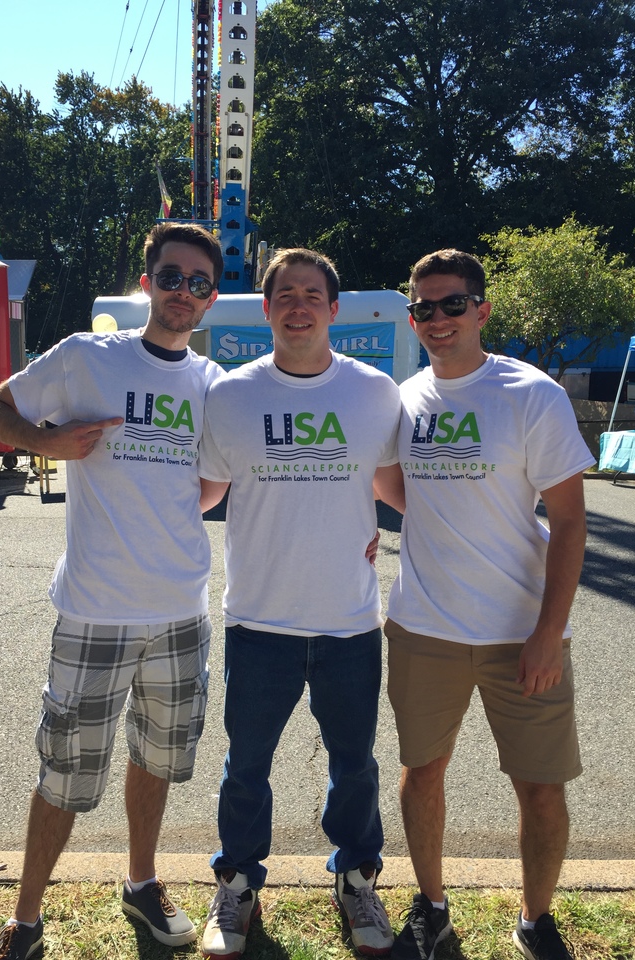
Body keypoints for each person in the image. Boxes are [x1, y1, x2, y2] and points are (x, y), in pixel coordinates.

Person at [0, 222, 224, 960]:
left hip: (182, 612)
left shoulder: (210, 384)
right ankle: (25, 918)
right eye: (173, 277)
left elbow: (216, 485)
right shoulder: (88, 357)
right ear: (147, 282)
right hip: (94, 612)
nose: (185, 292)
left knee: (156, 760)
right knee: (65, 774)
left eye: (200, 283)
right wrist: (47, 443)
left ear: (211, 298)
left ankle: (141, 884)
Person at [382, 250, 594, 960]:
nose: (436, 320)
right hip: (424, 629)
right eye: (423, 309)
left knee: (541, 790)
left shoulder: (529, 394)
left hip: (520, 633)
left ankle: (536, 919)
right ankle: (432, 908)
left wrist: (549, 630)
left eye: (450, 305)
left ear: (482, 310)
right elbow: (396, 488)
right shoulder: (405, 398)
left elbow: (569, 520)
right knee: (422, 776)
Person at [198, 248, 403, 959]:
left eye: (312, 294)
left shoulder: (376, 392)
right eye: (285, 293)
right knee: (246, 763)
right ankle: (238, 884)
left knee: (356, 762)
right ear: (267, 308)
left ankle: (356, 877)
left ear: (333, 309)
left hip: (349, 620)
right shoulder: (230, 395)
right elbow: (203, 492)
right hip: (259, 620)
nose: (298, 305)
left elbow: (398, 487)